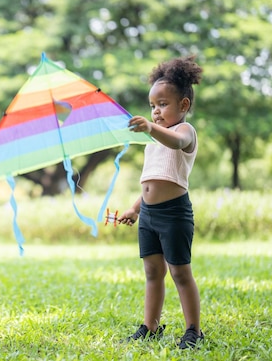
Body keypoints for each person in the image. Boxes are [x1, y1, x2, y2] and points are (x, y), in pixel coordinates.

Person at [118, 55, 204, 349]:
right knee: (153, 272)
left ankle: (193, 329)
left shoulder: (184, 131)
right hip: (150, 215)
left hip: (174, 214)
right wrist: (134, 208)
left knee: (180, 272)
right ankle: (150, 327)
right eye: (152, 106)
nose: (155, 112)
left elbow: (177, 143)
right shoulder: (154, 141)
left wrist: (152, 129)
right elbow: (151, 180)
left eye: (163, 104)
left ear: (183, 105)